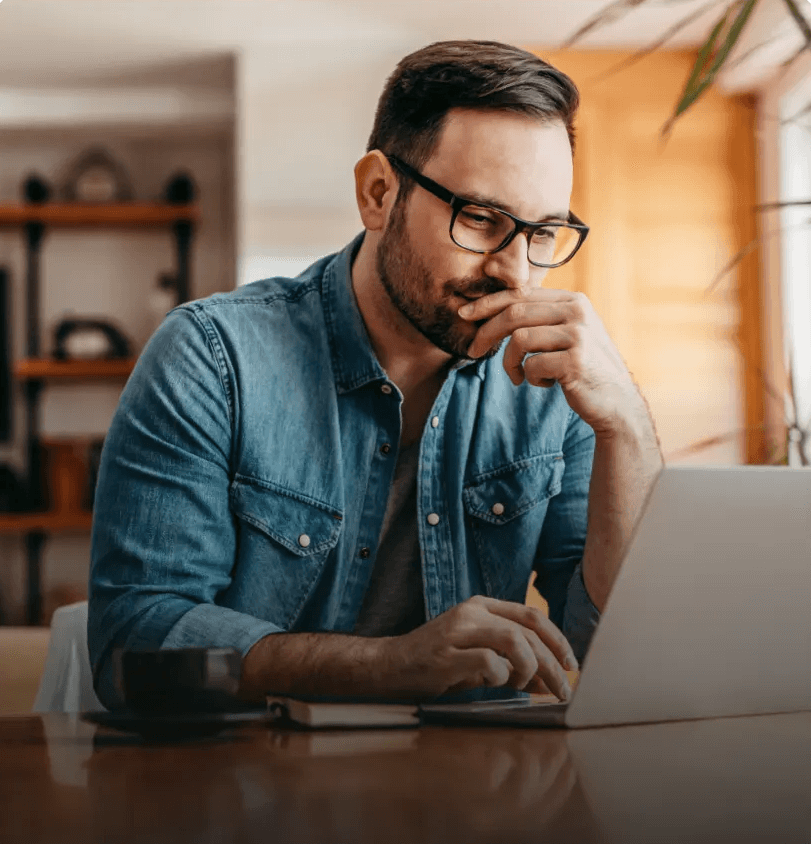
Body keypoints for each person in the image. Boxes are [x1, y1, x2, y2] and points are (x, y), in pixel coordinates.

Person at [88, 40, 662, 711]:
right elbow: (136, 639)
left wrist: (624, 423)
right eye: (479, 218)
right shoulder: (212, 358)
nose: (515, 270)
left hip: (477, 801)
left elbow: (620, 646)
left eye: (541, 233)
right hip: (251, 796)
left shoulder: (556, 386)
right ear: (378, 192)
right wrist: (388, 666)